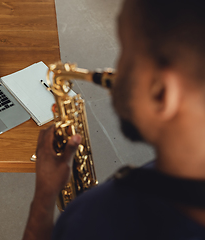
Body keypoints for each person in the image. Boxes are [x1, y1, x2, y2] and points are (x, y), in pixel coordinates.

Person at [22, 0, 205, 239]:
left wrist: (43, 200)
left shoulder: (93, 220)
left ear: (161, 93)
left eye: (126, 51)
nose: (111, 71)